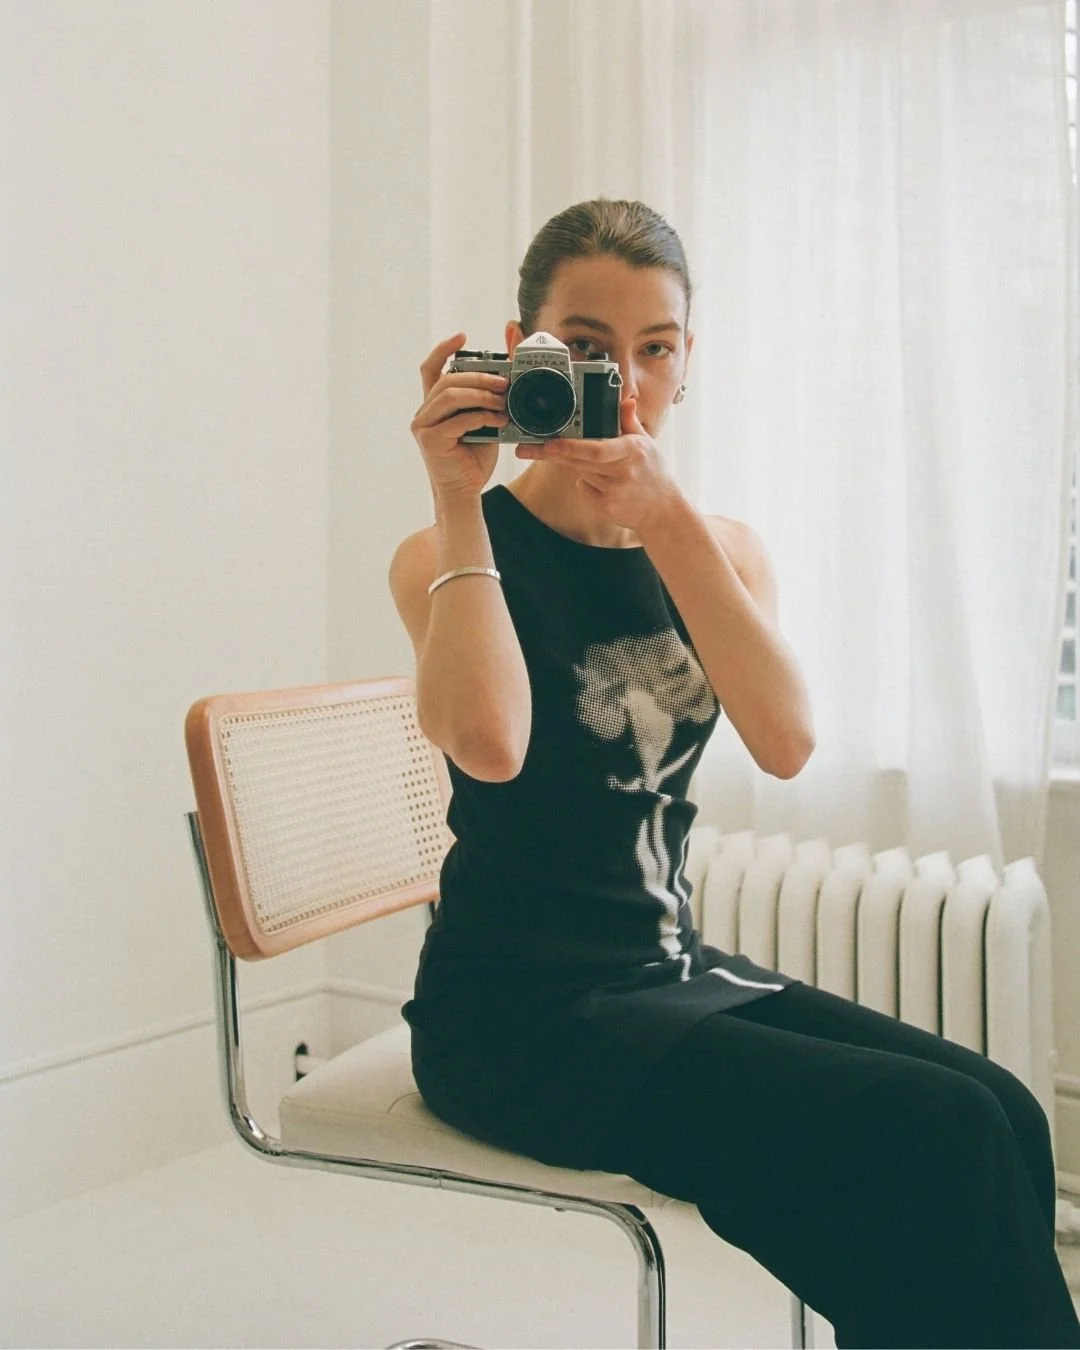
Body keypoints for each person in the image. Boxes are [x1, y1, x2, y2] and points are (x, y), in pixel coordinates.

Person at [389, 197, 1080, 1349]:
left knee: (1003, 1109)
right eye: (589, 347)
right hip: (515, 1018)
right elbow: (491, 746)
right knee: (937, 1134)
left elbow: (786, 742)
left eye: (655, 349)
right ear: (521, 354)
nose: (628, 381)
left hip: (663, 970)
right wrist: (458, 499)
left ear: (687, 360)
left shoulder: (720, 548)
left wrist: (666, 519)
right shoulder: (445, 553)